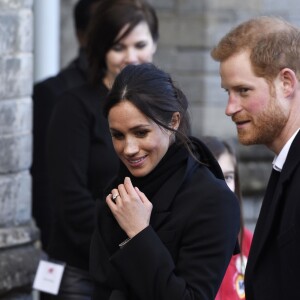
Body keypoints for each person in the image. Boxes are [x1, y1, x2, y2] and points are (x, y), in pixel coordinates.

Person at [89, 63, 240, 300]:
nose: (128, 148)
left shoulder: (212, 200)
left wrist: (139, 233)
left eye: (141, 132)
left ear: (174, 121)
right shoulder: (117, 192)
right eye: (118, 135)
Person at [43, 1, 159, 299]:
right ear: (101, 50)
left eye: (140, 44)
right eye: (118, 47)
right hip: (83, 276)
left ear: (155, 45)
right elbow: (70, 202)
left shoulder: (166, 108)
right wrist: (133, 241)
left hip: (147, 268)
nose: (131, 57)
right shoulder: (73, 107)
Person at [211, 16, 300, 300]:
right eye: (228, 92)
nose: (230, 107)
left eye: (243, 91)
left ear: (286, 82)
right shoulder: (286, 163)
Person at [31, 0, 101, 250]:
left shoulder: (144, 97)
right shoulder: (55, 94)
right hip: (77, 253)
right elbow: (47, 187)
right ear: (83, 36)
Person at [201, 136, 253, 300]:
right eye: (212, 175)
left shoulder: (248, 241)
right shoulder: (181, 241)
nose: (222, 186)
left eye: (228, 177)